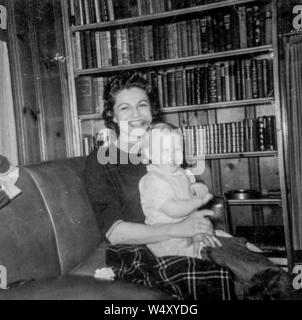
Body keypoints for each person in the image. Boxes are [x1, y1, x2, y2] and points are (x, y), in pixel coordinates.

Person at [85, 72, 237, 300]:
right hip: (145, 251)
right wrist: (178, 229)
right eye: (125, 108)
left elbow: (189, 195)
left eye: (142, 105)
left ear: (151, 110)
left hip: (188, 241)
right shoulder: (102, 160)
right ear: (112, 116)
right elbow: (115, 233)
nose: (136, 114)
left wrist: (204, 227)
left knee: (254, 266)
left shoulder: (163, 146)